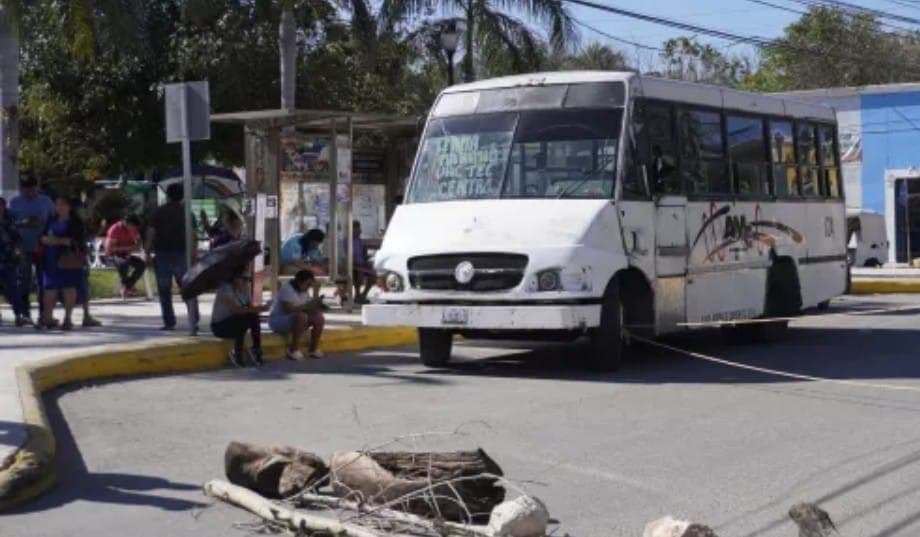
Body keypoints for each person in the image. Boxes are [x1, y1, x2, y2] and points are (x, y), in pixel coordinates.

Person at [145, 183, 199, 333]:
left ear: (168, 196)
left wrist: (147, 252)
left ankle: (169, 321)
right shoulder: (187, 213)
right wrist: (194, 253)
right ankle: (193, 318)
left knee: (164, 290)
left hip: (163, 253)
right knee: (188, 287)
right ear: (182, 196)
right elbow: (194, 235)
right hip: (183, 254)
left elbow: (151, 233)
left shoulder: (158, 212)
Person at [9, 172, 55, 324]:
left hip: (43, 247)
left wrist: (43, 226)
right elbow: (9, 224)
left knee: (43, 282)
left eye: (32, 188)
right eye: (25, 188)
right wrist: (23, 223)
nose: (29, 192)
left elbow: (54, 220)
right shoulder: (14, 202)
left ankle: (44, 313)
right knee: (24, 281)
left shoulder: (46, 201)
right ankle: (24, 313)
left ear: (37, 187)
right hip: (23, 247)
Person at [38, 196, 85, 330]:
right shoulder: (51, 219)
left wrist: (57, 240)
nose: (59, 207)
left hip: (67, 258)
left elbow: (76, 241)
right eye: (57, 204)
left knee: (68, 288)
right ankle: (47, 317)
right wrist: (45, 239)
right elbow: (42, 235)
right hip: (50, 258)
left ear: (70, 206)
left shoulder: (75, 222)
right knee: (49, 288)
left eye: (63, 204)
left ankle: (68, 319)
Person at [211, 269, 268, 367]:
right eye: (244, 279)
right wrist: (256, 309)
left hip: (235, 321)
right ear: (235, 279)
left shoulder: (246, 290)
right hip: (220, 326)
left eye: (249, 279)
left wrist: (263, 307)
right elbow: (234, 310)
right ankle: (237, 352)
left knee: (253, 317)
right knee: (241, 319)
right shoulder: (225, 289)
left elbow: (250, 309)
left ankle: (256, 349)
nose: (247, 282)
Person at [268, 269, 325, 360]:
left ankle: (313, 349)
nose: (308, 287)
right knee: (301, 316)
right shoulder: (287, 289)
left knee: (318, 317)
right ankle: (293, 349)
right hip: (279, 321)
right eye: (308, 284)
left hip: (295, 320)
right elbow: (288, 310)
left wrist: (316, 296)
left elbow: (311, 309)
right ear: (299, 282)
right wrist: (306, 306)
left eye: (310, 285)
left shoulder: (304, 291)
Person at [0, 197, 28, 326]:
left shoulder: (8, 223)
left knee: (12, 288)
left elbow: (18, 240)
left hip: (7, 259)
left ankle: (19, 314)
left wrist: (18, 253)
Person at [105, 214, 146, 298]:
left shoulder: (133, 229)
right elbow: (111, 248)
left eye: (135, 227)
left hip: (126, 255)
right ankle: (127, 287)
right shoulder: (115, 228)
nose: (134, 228)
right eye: (133, 226)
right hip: (112, 256)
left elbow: (139, 241)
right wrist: (130, 248)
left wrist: (138, 244)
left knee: (141, 265)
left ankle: (127, 286)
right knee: (124, 263)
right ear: (127, 223)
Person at [281, 229, 329, 300]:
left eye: (318, 244)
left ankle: (315, 299)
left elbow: (317, 259)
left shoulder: (310, 245)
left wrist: (322, 267)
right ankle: (303, 299)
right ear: (310, 240)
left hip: (299, 264)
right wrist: (313, 269)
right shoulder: (296, 242)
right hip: (286, 265)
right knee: (305, 274)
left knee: (317, 274)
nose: (316, 246)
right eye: (315, 243)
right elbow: (295, 261)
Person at [349, 221, 376, 303]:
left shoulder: (359, 241)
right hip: (351, 265)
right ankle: (357, 295)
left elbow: (364, 254)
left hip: (361, 264)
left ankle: (363, 295)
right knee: (359, 272)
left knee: (373, 275)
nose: (360, 231)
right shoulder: (347, 241)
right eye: (357, 229)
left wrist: (367, 258)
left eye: (359, 228)